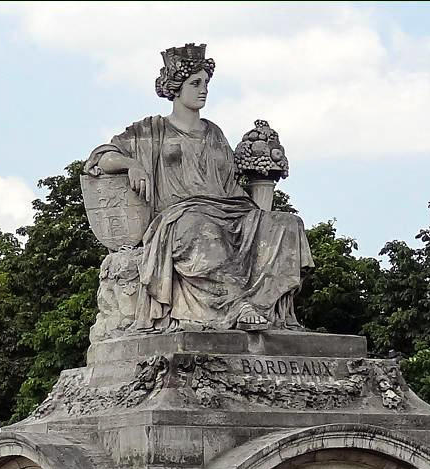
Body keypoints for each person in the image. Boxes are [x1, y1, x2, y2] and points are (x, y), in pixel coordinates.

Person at [84, 43, 313, 333]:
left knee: (287, 224)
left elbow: (232, 185)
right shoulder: (152, 129)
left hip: (230, 209)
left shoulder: (214, 131)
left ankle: (263, 305)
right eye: (195, 83)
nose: (203, 89)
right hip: (181, 215)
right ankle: (236, 305)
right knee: (202, 229)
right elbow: (101, 157)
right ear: (175, 88)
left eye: (206, 83)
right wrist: (132, 165)